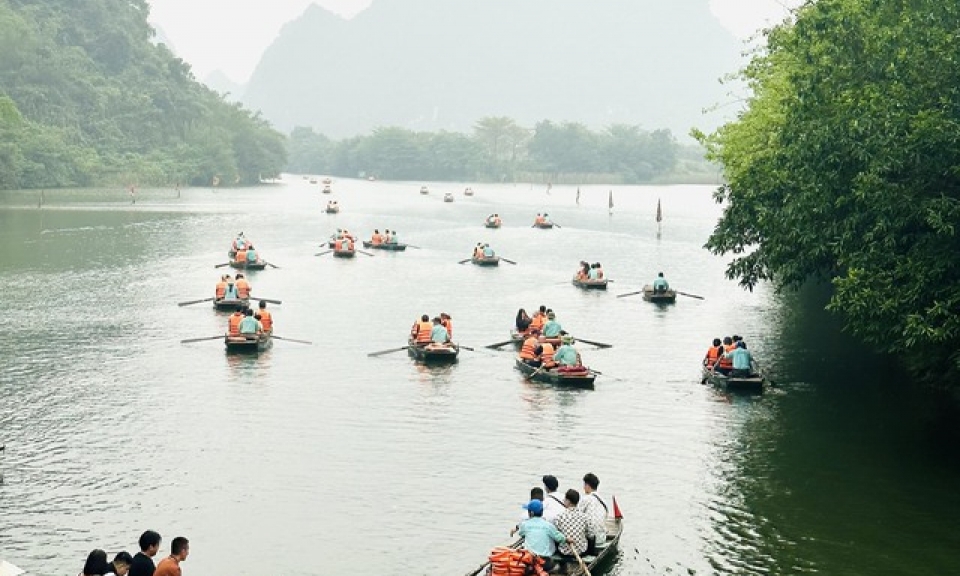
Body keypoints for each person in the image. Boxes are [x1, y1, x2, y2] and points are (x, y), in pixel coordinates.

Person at [517, 499, 566, 571]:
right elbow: (560, 538)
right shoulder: (548, 525)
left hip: (529, 559)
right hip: (545, 561)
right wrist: (567, 539)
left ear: (531, 513)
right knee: (558, 566)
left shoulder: (525, 524)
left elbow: (521, 533)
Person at [554, 489, 592, 562]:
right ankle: (591, 554)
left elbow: (556, 535)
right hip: (581, 552)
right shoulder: (585, 517)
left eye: (565, 499)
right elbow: (590, 534)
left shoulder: (559, 516)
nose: (564, 500)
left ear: (568, 501)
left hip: (564, 552)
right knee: (589, 536)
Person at [579, 473, 608, 554]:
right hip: (602, 538)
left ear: (588, 485)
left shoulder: (585, 499)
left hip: (590, 541)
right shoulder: (603, 500)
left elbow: (577, 514)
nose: (583, 487)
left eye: (584, 485)